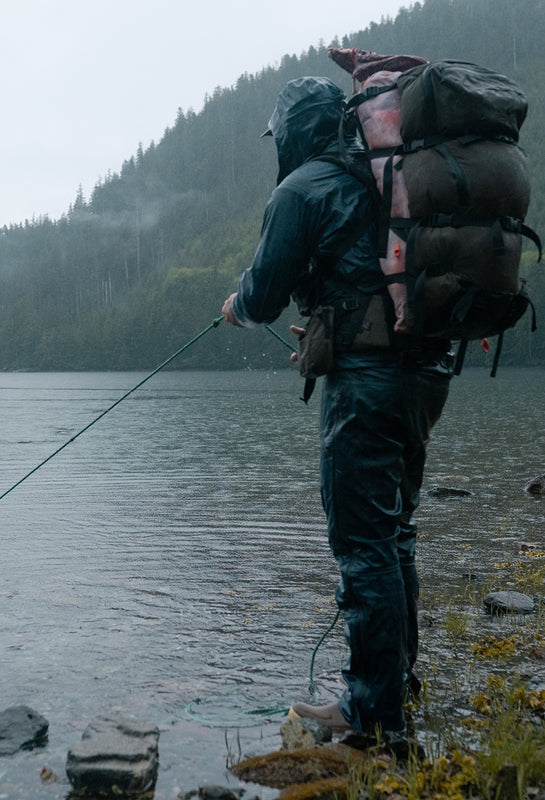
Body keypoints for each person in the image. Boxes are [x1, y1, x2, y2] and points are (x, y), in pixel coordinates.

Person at [222, 75, 451, 741]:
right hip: (425, 373)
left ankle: (371, 716)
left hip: (368, 383)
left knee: (362, 542)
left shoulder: (303, 188)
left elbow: (262, 296)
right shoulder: (388, 179)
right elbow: (367, 279)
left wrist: (235, 307)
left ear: (293, 132)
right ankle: (395, 685)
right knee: (394, 530)